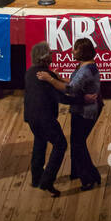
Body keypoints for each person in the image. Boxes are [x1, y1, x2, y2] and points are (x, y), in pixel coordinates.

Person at [37, 38, 103, 190]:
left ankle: (90, 178)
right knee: (77, 143)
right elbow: (74, 82)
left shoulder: (86, 71)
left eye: (75, 49)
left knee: (78, 145)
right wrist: (59, 78)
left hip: (85, 112)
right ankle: (80, 173)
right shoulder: (86, 65)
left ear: (83, 53)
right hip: (83, 109)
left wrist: (49, 79)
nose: (72, 51)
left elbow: (70, 90)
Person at [23, 42, 65, 197]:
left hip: (32, 117)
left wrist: (54, 76)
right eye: (51, 53)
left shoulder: (30, 72)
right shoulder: (47, 76)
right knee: (61, 145)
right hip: (45, 118)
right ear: (45, 57)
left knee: (39, 143)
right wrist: (83, 100)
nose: (53, 55)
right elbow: (63, 97)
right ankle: (47, 181)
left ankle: (36, 178)